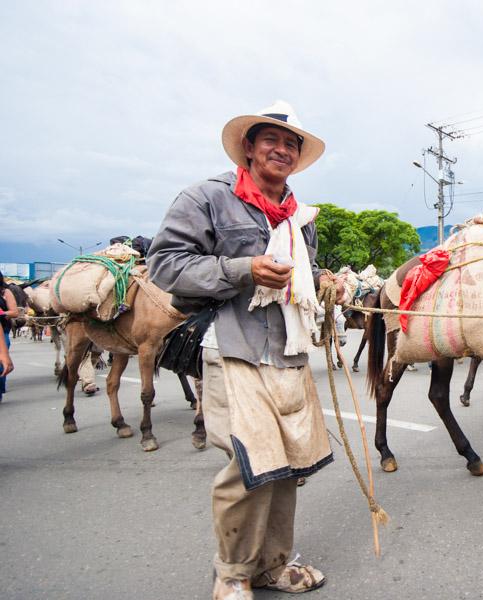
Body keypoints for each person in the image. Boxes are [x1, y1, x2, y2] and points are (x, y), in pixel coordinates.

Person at [148, 100, 344, 600]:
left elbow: (298, 276)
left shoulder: (301, 216)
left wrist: (320, 280)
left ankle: (272, 566)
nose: (282, 149)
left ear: (297, 157)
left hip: (288, 354)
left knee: (286, 465)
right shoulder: (206, 198)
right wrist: (242, 269)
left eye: (291, 144)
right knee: (248, 467)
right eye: (271, 140)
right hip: (232, 347)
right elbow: (166, 267)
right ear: (249, 147)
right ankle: (232, 574)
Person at [0, 271, 20, 402]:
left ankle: (0, 388)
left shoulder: (5, 292)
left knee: (1, 363)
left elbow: (15, 312)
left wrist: (3, 313)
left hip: (4, 330)